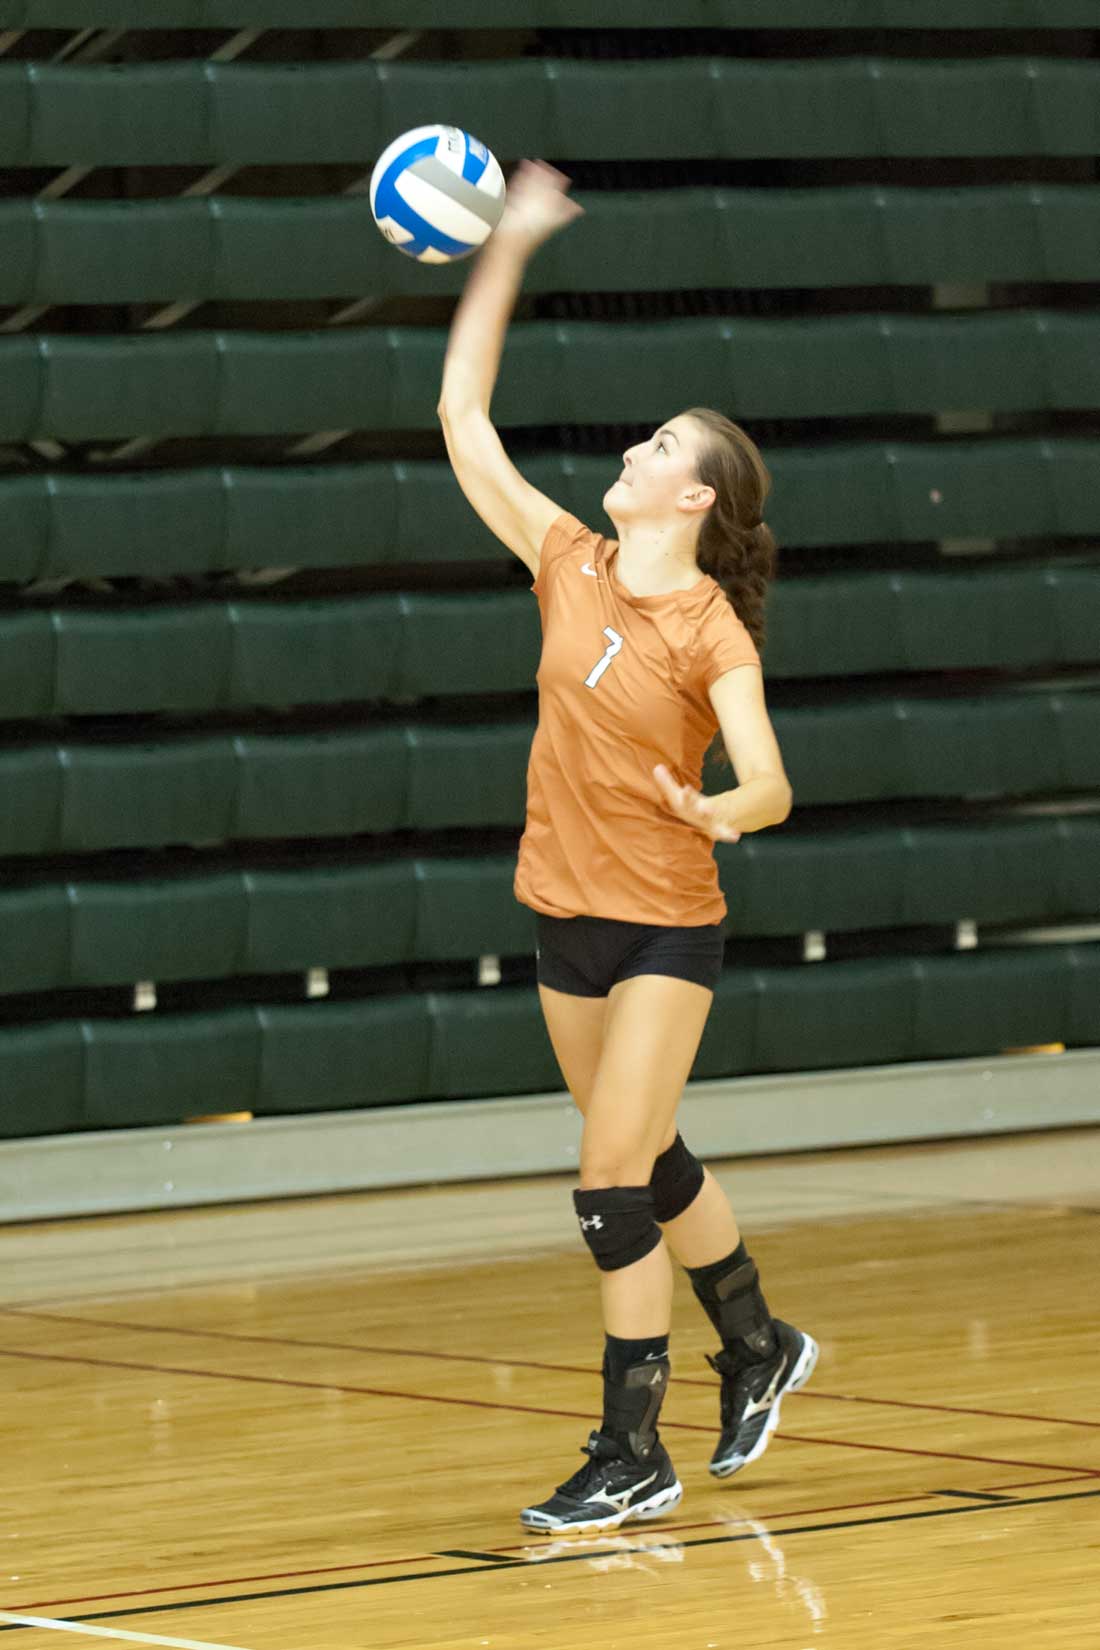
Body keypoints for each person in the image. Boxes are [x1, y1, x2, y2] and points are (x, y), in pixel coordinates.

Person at [437, 160, 817, 1534]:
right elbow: (462, 414)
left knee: (607, 1188)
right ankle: (758, 1340)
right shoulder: (567, 561)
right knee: (647, 1160)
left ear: (694, 499)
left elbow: (770, 779)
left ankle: (630, 1449)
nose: (635, 454)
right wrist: (510, 243)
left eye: (661, 448)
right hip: (565, 911)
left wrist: (723, 810)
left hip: (664, 923)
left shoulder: (710, 630)